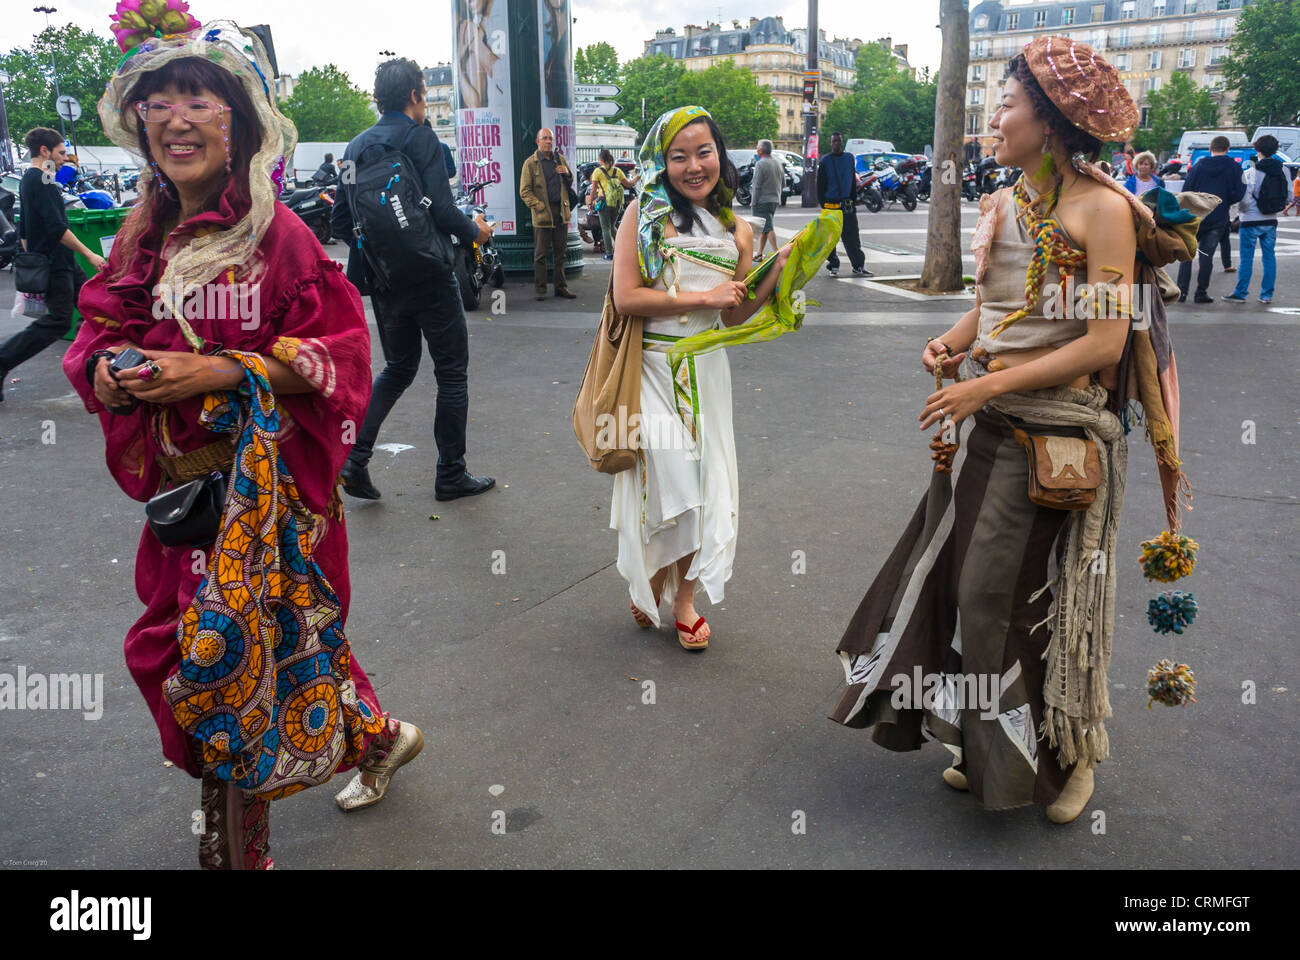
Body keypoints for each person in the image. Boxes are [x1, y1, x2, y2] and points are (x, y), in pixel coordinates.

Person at [62, 17, 423, 869]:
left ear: (239, 124)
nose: (178, 117)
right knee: (233, 657)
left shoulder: (279, 237)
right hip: (185, 509)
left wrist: (215, 371)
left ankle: (236, 856)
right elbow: (95, 334)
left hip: (275, 502)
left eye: (201, 98)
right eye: (160, 100)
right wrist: (113, 370)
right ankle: (377, 737)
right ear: (140, 123)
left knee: (231, 671)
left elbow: (340, 358)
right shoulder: (137, 238)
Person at [829, 37, 1186, 824]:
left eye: (1008, 105)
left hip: (1060, 443)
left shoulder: (1104, 213)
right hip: (992, 431)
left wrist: (984, 379)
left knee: (1032, 601)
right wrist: (955, 344)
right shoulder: (1007, 201)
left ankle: (1073, 756)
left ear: (1052, 122)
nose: (994, 118)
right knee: (973, 596)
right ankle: (996, 752)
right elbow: (998, 310)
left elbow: (1098, 344)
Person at [609, 105, 788, 651]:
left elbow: (732, 315)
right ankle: (653, 579)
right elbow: (626, 296)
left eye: (703, 152)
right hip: (654, 368)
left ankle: (681, 599)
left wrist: (773, 273)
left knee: (704, 488)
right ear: (661, 162)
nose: (693, 165)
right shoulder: (643, 215)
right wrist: (702, 296)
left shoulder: (738, 228)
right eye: (678, 155)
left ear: (721, 155)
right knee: (670, 481)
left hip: (708, 369)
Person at [332, 58, 496, 502]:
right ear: (416, 96)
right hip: (430, 274)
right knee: (451, 374)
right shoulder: (420, 138)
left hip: (384, 281)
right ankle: (451, 474)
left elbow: (340, 220)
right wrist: (474, 231)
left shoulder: (354, 148)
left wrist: (387, 251)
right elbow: (442, 209)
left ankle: (354, 458)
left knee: (399, 368)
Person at [0, 128, 107, 402]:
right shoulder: (44, 179)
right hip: (57, 262)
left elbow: (24, 226)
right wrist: (90, 254)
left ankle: (102, 362)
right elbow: (57, 227)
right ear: (45, 152)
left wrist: (31, 254)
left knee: (92, 306)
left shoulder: (29, 179)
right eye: (60, 153)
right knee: (59, 320)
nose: (64, 159)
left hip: (57, 260)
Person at [1176, 135, 1244, 303]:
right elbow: (1240, 192)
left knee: (1187, 255)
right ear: (1227, 149)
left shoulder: (1198, 166)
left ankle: (1182, 292)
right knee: (1207, 256)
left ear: (1210, 149)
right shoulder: (1235, 168)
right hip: (1218, 217)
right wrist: (1226, 200)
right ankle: (1201, 292)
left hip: (1196, 217)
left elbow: (1186, 190)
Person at [1224, 134, 1284, 304]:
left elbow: (1245, 200)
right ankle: (1267, 294)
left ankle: (1241, 292)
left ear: (1257, 149)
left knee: (1246, 259)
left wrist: (1239, 214)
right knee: (1269, 257)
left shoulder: (1251, 172)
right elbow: (1285, 196)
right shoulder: (1283, 170)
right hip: (1271, 220)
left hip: (1250, 221)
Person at [519, 126, 576, 300]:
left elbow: (570, 180)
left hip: (561, 212)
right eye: (544, 138)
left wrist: (566, 172)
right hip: (543, 213)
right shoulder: (531, 163)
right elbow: (524, 191)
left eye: (550, 138)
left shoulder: (559, 159)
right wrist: (539, 205)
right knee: (540, 255)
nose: (548, 142)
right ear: (538, 142)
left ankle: (561, 287)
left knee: (560, 254)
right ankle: (541, 289)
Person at [817, 132, 869, 277]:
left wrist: (852, 200)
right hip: (830, 205)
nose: (836, 144)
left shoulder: (849, 158)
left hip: (847, 205)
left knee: (852, 237)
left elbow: (852, 181)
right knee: (830, 239)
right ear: (830, 143)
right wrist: (824, 204)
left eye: (838, 141)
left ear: (842, 142)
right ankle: (833, 265)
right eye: (834, 141)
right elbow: (820, 185)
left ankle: (858, 265)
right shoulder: (825, 161)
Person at [587, 147, 636, 261]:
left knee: (606, 228)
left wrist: (590, 201)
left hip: (604, 202)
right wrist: (637, 177)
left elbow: (593, 189)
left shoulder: (598, 171)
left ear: (600, 159)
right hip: (617, 203)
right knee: (613, 226)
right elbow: (628, 184)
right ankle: (623, 248)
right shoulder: (617, 171)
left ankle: (609, 253)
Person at [750, 139, 782, 260]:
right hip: (774, 200)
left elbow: (756, 185)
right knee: (764, 227)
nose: (757, 150)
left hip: (762, 201)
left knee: (767, 227)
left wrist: (753, 202)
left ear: (761, 150)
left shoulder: (760, 164)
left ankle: (777, 254)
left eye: (757, 148)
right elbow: (782, 182)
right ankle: (759, 254)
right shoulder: (777, 163)